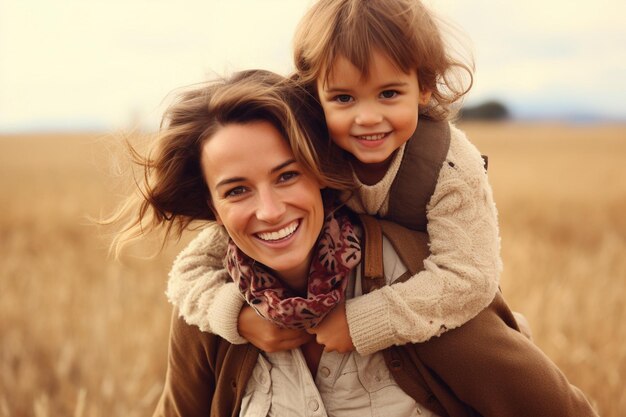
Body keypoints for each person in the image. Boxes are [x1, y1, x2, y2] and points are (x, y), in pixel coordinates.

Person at [110, 70, 596, 417]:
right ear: (213, 208)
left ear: (322, 174)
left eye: (287, 176)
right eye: (237, 190)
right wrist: (233, 318)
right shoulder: (210, 310)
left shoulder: (420, 283)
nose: (270, 210)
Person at [166, 0, 509, 356]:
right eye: (344, 98)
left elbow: (470, 278)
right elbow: (191, 268)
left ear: (423, 87)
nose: (368, 118)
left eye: (388, 94)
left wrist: (364, 321)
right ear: (315, 98)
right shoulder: (314, 152)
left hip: (451, 321)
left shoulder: (448, 164)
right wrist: (237, 315)